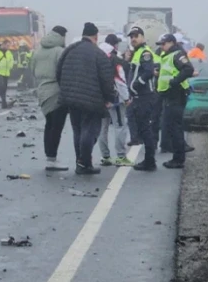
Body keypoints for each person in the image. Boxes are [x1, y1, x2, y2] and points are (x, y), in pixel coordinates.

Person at [56, 22, 115, 175]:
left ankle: (79, 162)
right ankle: (85, 163)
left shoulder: (69, 50)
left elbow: (58, 72)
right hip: (92, 100)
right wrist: (109, 98)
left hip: (70, 98)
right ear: (95, 37)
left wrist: (65, 90)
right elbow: (107, 79)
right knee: (90, 131)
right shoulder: (98, 54)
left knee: (77, 130)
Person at [156, 33, 195, 169]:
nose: (162, 46)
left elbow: (189, 69)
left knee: (175, 128)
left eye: (164, 43)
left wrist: (174, 81)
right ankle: (176, 157)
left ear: (171, 42)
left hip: (176, 95)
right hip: (170, 96)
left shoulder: (177, 54)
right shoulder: (167, 56)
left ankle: (178, 159)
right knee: (171, 127)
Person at [33, 25, 69, 171]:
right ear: (61, 36)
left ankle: (49, 158)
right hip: (56, 93)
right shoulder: (59, 51)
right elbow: (63, 73)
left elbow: (32, 70)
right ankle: (52, 159)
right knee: (57, 127)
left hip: (42, 91)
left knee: (49, 125)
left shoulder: (37, 51)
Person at [125, 27, 160, 171]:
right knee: (144, 129)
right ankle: (149, 160)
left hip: (145, 96)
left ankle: (150, 162)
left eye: (136, 36)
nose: (133, 39)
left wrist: (136, 84)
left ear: (143, 37)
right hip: (139, 96)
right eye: (131, 36)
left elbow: (148, 72)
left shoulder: (145, 53)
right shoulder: (137, 52)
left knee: (146, 130)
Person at [98, 34, 133, 167]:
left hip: (100, 99)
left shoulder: (96, 58)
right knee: (119, 125)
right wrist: (127, 98)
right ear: (115, 45)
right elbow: (120, 81)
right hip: (115, 99)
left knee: (103, 128)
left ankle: (105, 156)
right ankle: (121, 156)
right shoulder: (115, 60)